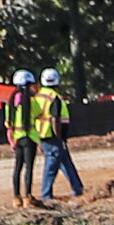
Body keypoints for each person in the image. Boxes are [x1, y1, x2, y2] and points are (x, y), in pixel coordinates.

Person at [31, 69, 84, 203]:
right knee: (51, 165)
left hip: (42, 135)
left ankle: (77, 188)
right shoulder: (54, 97)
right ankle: (46, 194)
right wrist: (59, 138)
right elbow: (55, 119)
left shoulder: (38, 96)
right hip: (52, 135)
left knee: (64, 160)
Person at [6, 70, 41, 207]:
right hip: (30, 137)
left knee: (17, 168)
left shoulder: (11, 103)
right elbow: (38, 113)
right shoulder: (32, 101)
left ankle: (16, 197)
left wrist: (11, 140)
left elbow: (8, 123)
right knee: (29, 168)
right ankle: (27, 196)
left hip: (17, 137)